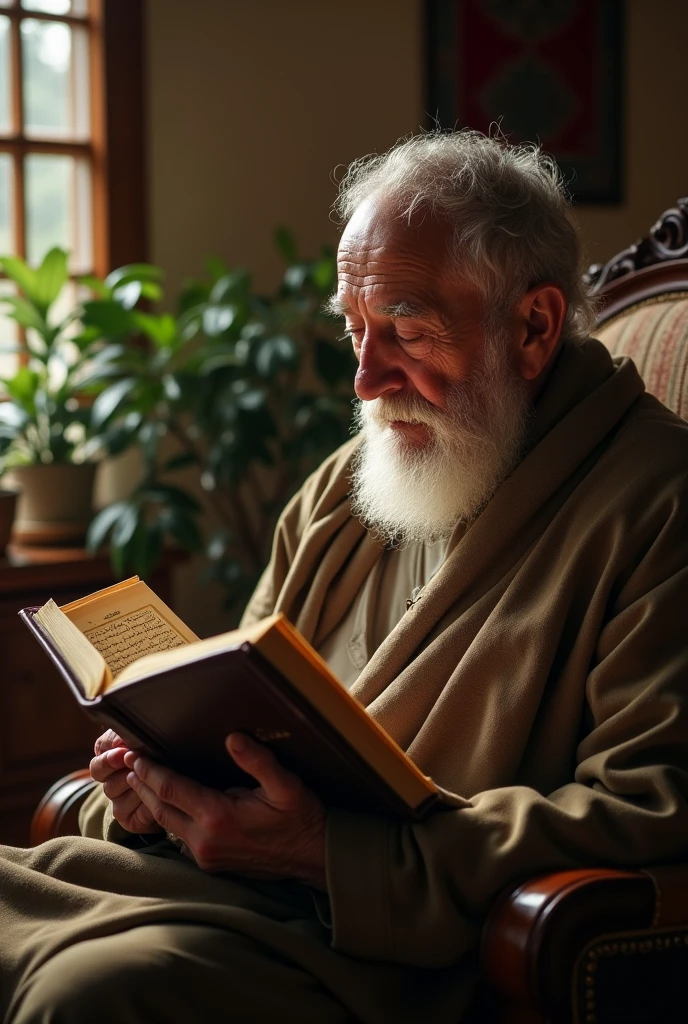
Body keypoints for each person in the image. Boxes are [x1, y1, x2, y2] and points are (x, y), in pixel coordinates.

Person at [2, 131, 688, 1024]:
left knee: (84, 997)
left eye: (404, 330)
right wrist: (160, 787)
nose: (364, 379)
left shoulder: (657, 502)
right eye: (354, 329)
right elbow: (231, 692)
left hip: (380, 944)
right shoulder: (343, 486)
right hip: (208, 886)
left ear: (533, 327)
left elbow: (651, 807)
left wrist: (329, 854)